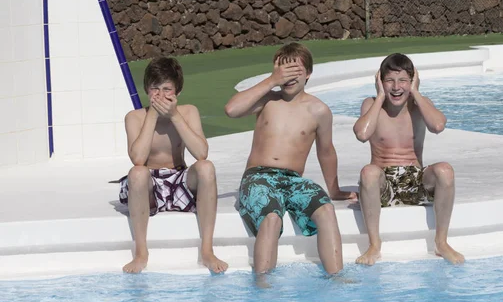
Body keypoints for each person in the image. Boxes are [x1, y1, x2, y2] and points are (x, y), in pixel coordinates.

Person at [224, 42, 356, 277]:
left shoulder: (319, 110)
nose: (290, 76)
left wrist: (334, 190)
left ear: (308, 74)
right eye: (284, 71)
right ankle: (264, 285)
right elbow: (231, 109)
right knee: (272, 217)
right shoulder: (267, 100)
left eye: (296, 71)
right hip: (259, 176)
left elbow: (326, 152)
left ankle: (337, 278)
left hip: (293, 180)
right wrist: (271, 81)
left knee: (325, 209)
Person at [353, 53, 465, 265]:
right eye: (389, 81)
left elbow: (438, 126)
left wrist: (416, 92)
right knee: (368, 172)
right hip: (383, 182)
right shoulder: (371, 104)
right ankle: (374, 245)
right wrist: (379, 97)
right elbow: (362, 134)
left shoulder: (420, 104)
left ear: (412, 80)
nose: (396, 87)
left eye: (403, 80)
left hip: (416, 179)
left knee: (445, 170)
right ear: (380, 82)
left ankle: (441, 242)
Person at [119, 57, 228, 274]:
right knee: (137, 173)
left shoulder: (188, 112)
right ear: (146, 91)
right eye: (155, 89)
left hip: (179, 180)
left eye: (167, 89)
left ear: (177, 92)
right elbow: (138, 159)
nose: (160, 95)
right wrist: (152, 114)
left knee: (206, 167)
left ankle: (207, 250)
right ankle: (141, 252)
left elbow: (201, 153)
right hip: (148, 186)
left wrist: (175, 115)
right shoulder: (135, 117)